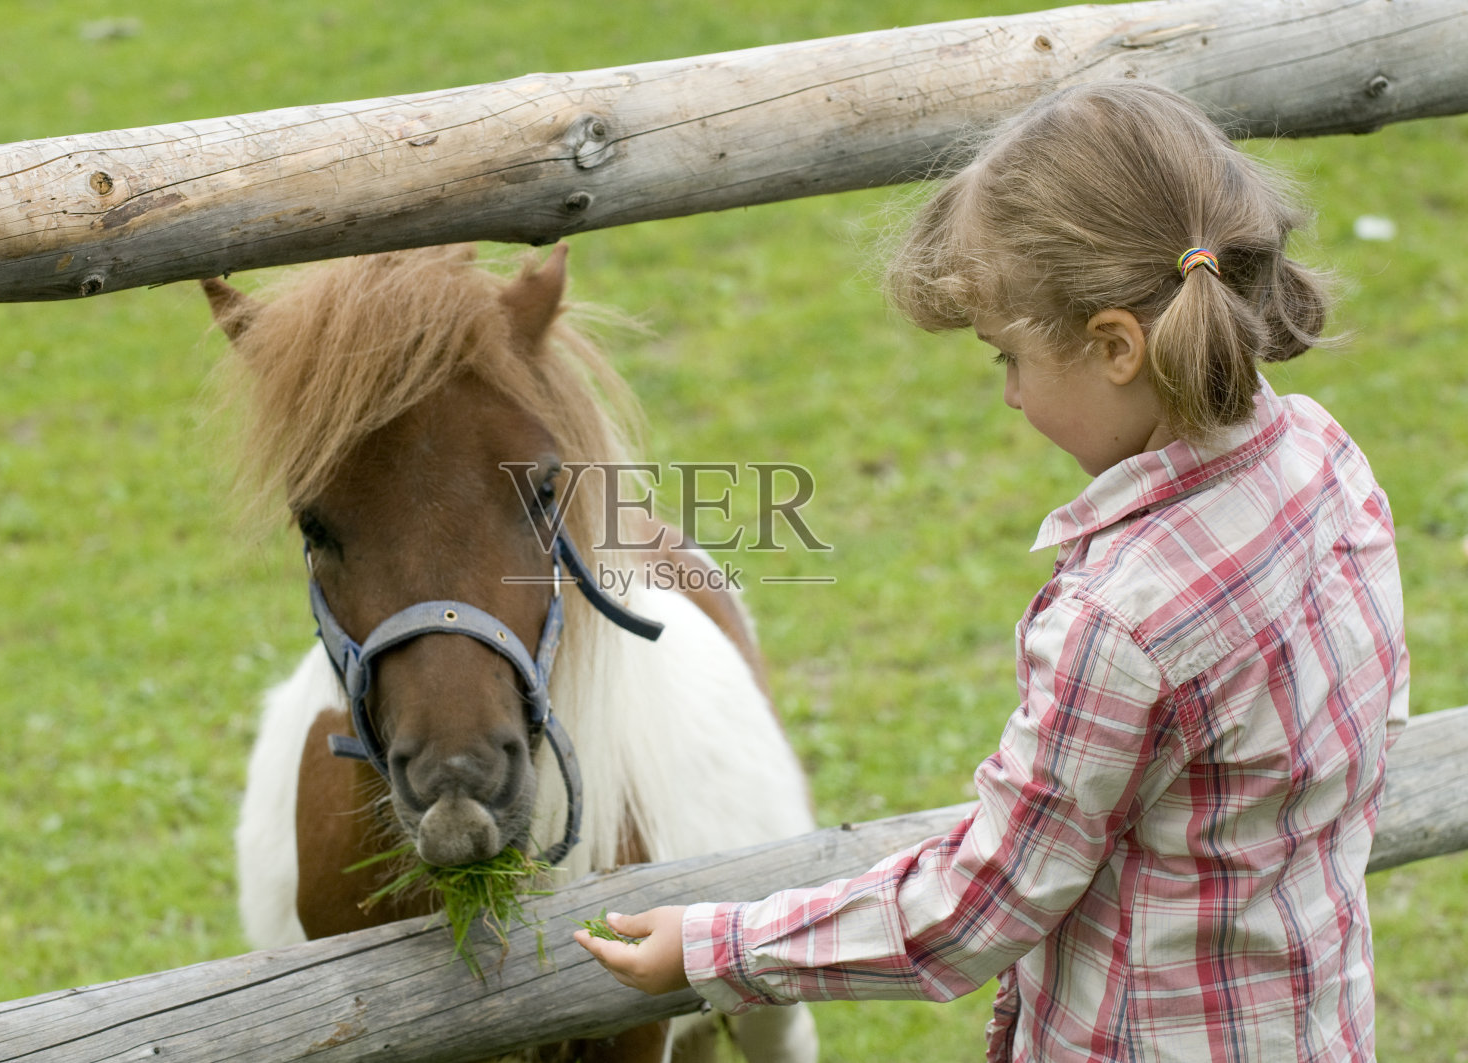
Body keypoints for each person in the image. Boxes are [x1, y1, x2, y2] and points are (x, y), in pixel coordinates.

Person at [573, 81, 1409, 1062]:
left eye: (1005, 356)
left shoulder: (1124, 618)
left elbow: (976, 904)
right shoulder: (1326, 462)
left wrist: (720, 946)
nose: (1008, 395)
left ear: (1112, 345)